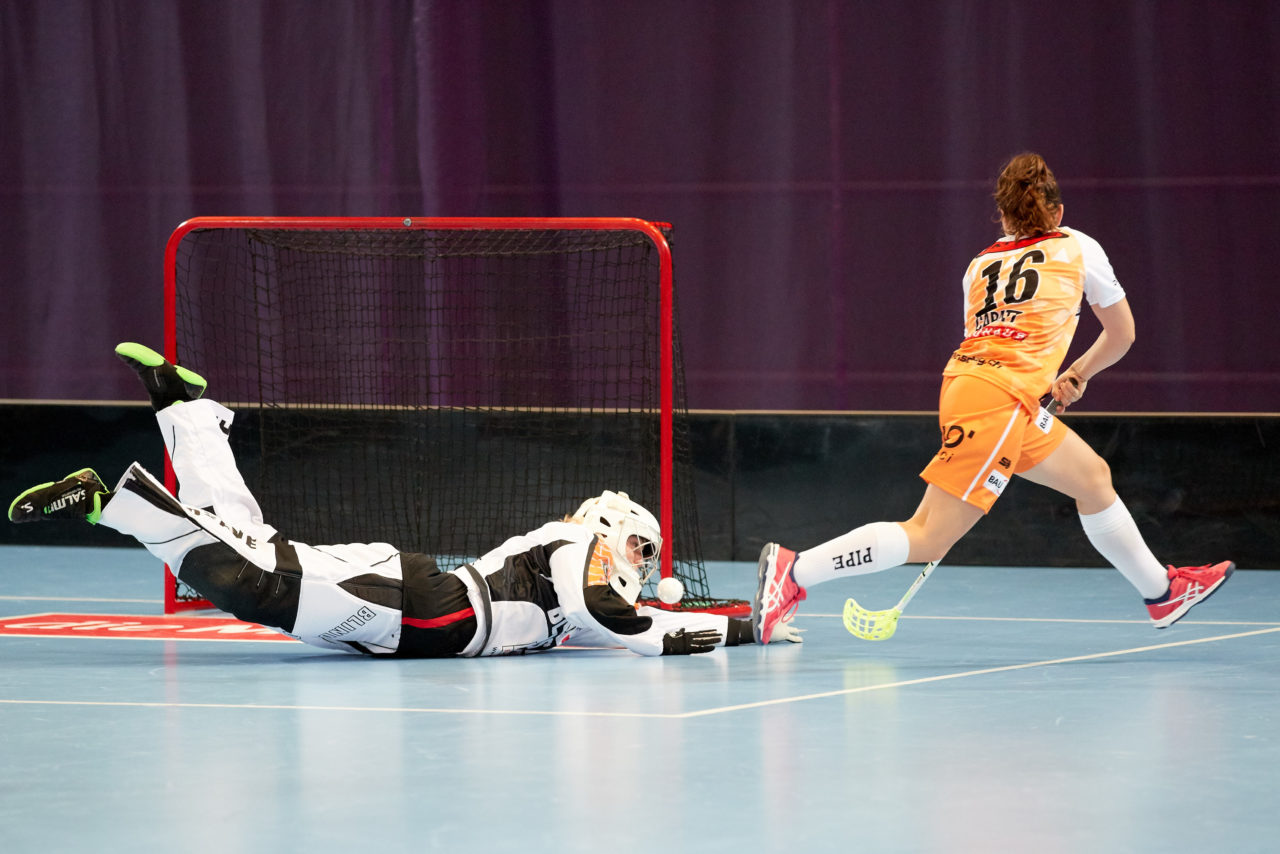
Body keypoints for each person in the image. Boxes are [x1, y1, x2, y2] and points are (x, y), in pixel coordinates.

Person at [10, 343, 800, 657]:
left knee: (255, 553)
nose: (641, 564)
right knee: (249, 584)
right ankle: (109, 502)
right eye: (640, 546)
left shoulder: (578, 586)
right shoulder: (572, 552)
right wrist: (665, 642)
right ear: (611, 529)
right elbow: (612, 616)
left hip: (407, 613)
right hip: (421, 606)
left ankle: (182, 410)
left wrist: (746, 624)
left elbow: (625, 618)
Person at [753, 152, 1233, 643]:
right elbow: (1122, 333)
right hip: (999, 401)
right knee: (929, 533)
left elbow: (994, 338)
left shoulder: (979, 265)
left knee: (1091, 478)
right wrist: (1079, 374)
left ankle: (1161, 593)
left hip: (972, 386)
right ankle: (794, 572)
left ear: (1003, 217)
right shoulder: (1079, 247)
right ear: (1059, 213)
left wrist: (1049, 380)